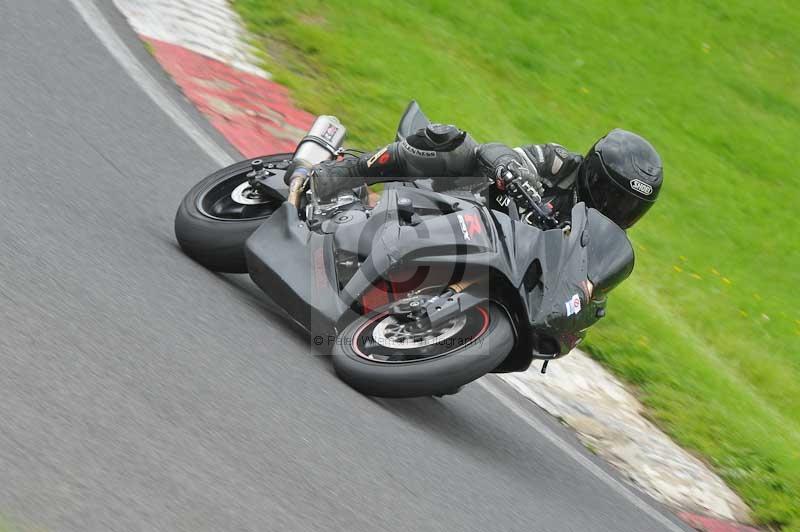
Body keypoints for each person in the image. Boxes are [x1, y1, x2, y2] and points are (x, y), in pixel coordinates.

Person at [293, 123, 663, 229]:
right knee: (453, 142)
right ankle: (340, 174)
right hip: (466, 200)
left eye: (630, 206)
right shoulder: (560, 163)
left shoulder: (597, 237)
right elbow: (500, 152)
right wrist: (513, 170)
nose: (618, 210)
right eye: (616, 197)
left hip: (493, 253)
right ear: (594, 175)